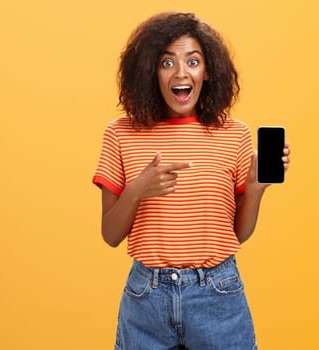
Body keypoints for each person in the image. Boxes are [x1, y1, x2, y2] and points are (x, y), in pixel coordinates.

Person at [92, 12, 290, 350]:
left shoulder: (234, 136)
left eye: (193, 61)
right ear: (151, 71)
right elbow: (110, 235)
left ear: (208, 71)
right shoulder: (120, 134)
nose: (181, 73)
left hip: (218, 292)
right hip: (146, 299)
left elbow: (237, 233)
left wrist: (255, 189)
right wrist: (138, 190)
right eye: (167, 63)